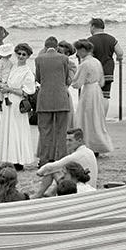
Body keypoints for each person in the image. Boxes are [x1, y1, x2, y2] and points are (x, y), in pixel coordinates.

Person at [0, 43, 37, 170]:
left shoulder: (27, 72)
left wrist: (9, 89)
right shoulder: (12, 67)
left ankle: (19, 160)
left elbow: (27, 91)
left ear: (28, 56)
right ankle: (8, 159)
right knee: (7, 128)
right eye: (19, 53)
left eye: (24, 54)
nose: (21, 56)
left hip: (18, 103)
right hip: (7, 103)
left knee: (17, 130)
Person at [35, 36, 73, 165]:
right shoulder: (64, 58)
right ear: (57, 47)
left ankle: (44, 159)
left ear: (45, 47)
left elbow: (39, 78)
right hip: (61, 97)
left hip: (45, 98)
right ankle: (60, 158)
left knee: (45, 130)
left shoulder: (39, 59)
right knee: (61, 131)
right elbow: (66, 77)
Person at [72, 39, 113, 155]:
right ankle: (98, 144)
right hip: (97, 90)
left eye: (78, 50)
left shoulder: (84, 64)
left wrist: (71, 79)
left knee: (86, 118)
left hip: (89, 91)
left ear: (83, 50)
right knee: (96, 118)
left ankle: (89, 145)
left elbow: (77, 83)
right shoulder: (96, 62)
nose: (77, 53)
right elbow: (102, 81)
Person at [35, 128, 100, 192]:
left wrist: (39, 172)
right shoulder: (89, 151)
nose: (67, 143)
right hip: (90, 186)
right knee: (60, 171)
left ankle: (38, 194)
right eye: (66, 140)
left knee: (53, 170)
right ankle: (51, 193)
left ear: (80, 141)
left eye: (70, 140)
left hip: (80, 189)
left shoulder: (76, 156)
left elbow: (50, 166)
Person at [87, 17, 123, 116]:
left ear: (93, 27)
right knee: (105, 96)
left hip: (94, 73)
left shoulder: (90, 40)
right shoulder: (111, 39)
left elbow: (85, 56)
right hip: (108, 70)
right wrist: (118, 58)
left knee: (93, 96)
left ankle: (95, 118)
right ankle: (103, 117)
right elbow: (120, 52)